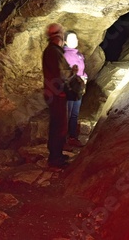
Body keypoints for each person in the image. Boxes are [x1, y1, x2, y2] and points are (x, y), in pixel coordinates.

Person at [42, 23, 77, 167]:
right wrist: (72, 72)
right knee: (59, 126)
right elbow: (60, 73)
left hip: (54, 92)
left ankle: (56, 154)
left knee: (57, 125)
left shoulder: (53, 50)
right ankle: (55, 158)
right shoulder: (53, 51)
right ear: (58, 35)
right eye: (61, 33)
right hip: (57, 93)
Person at [63, 31, 88, 147]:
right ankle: (62, 140)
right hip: (69, 88)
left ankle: (72, 137)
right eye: (71, 39)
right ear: (65, 41)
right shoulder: (65, 55)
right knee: (66, 114)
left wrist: (84, 77)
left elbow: (81, 70)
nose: (74, 41)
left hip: (78, 88)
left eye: (75, 39)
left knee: (74, 114)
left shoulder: (79, 55)